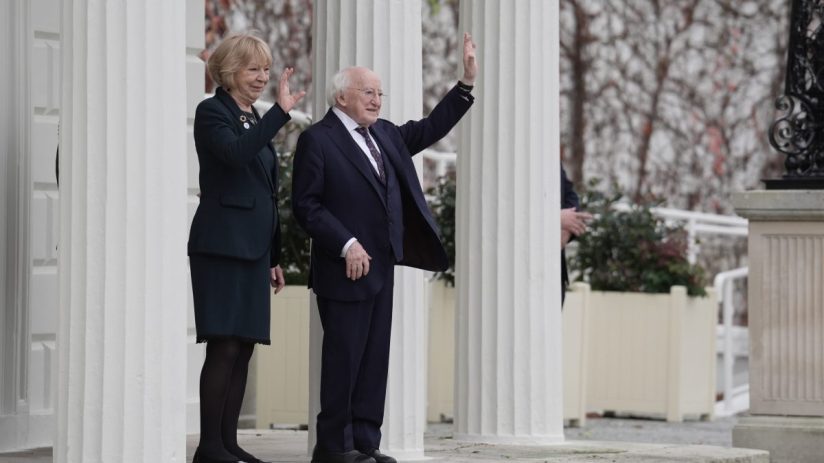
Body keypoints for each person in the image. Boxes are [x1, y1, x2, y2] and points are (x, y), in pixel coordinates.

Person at [291, 33, 478, 463]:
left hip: (382, 266)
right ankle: (333, 448)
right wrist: (346, 243)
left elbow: (430, 128)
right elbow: (306, 206)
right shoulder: (317, 140)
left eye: (379, 93)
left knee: (374, 360)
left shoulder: (387, 136)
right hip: (345, 268)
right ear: (341, 96)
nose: (377, 100)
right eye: (368, 92)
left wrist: (464, 84)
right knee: (344, 360)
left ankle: (364, 443)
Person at [188, 33, 305, 463]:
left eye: (265, 70)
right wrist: (280, 114)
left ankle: (228, 443)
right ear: (229, 70)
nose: (261, 78)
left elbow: (265, 191)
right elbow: (236, 156)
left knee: (245, 346)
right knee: (224, 344)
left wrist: (273, 257)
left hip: (253, 250)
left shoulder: (253, 116)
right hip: (220, 246)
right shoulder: (211, 111)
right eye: (252, 69)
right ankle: (209, 447)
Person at [560, 166, 591, 302]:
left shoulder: (552, 158)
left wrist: (566, 231)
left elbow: (571, 196)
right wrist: (556, 219)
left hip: (555, 273)